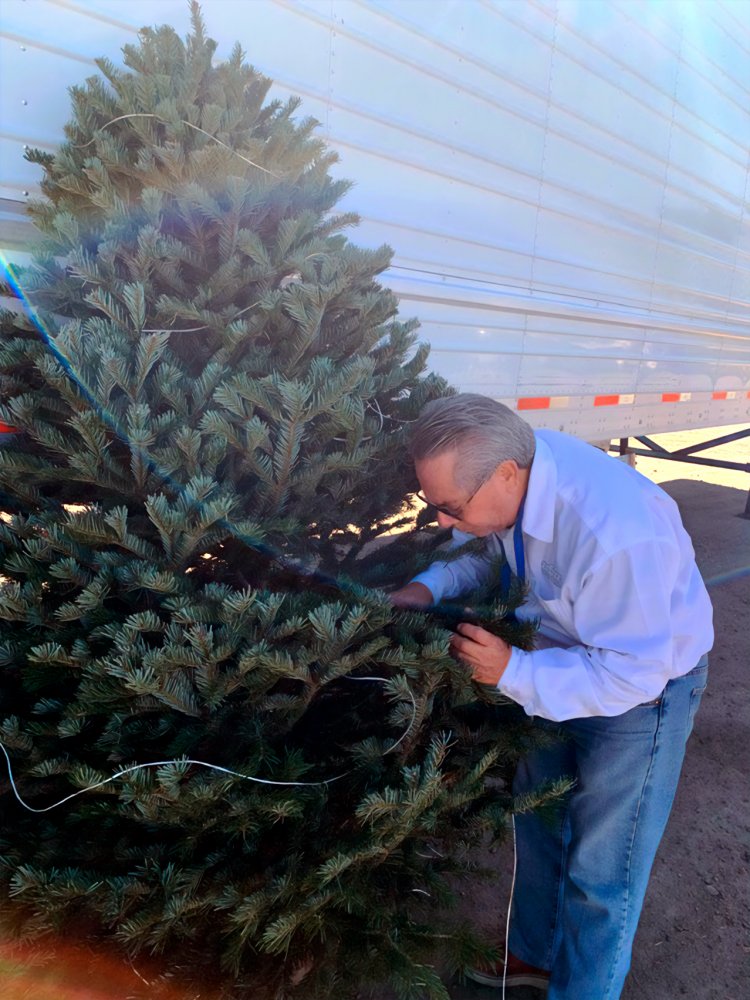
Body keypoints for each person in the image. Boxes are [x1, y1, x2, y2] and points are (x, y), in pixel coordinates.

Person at [390, 394, 713, 1000]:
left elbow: (633, 673)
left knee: (602, 872)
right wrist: (427, 587)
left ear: (507, 475)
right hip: (551, 661)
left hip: (641, 696)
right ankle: (533, 962)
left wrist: (512, 670)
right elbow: (486, 552)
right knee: (540, 823)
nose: (441, 522)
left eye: (449, 507)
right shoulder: (511, 472)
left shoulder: (614, 532)